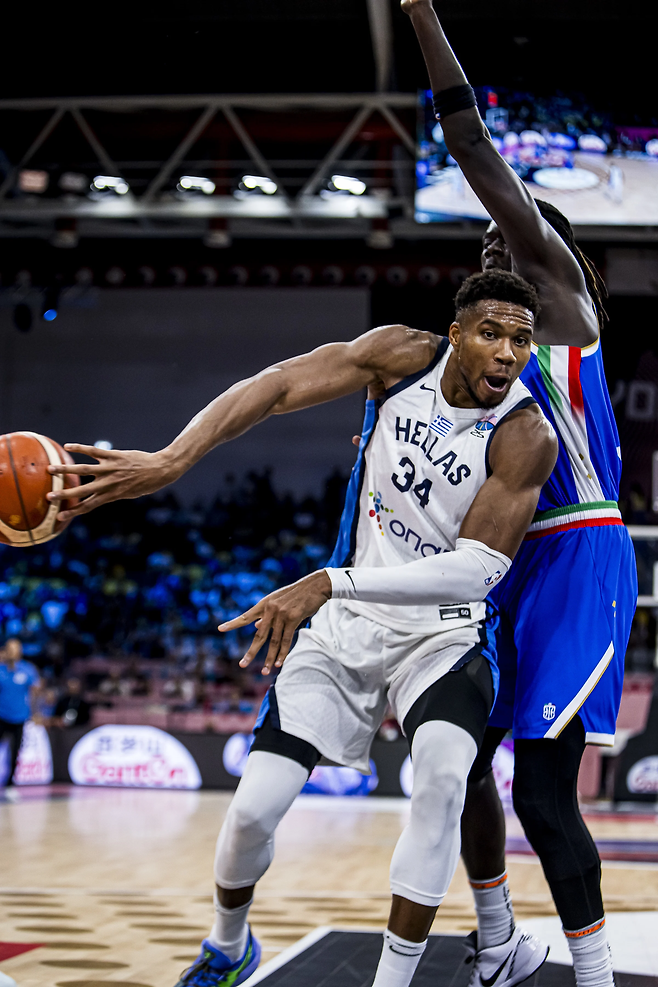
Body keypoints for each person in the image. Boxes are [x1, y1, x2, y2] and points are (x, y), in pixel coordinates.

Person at [48, 269, 557, 987]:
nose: (507, 353)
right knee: (252, 813)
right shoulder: (400, 357)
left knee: (444, 778)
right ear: (456, 336)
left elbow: (476, 570)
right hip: (347, 627)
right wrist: (171, 459)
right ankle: (228, 945)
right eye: (491, 334)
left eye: (521, 340)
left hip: (443, 635)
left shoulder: (526, 434)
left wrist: (328, 580)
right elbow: (279, 384)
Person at [401, 4, 637, 987]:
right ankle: (498, 941)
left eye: (509, 240)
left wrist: (421, 14)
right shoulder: (478, 366)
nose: (492, 251)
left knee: (543, 793)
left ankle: (593, 975)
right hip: (506, 564)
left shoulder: (565, 310)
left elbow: (468, 143)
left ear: (551, 255)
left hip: (580, 553)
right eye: (484, 251)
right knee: (451, 759)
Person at [0, 638, 40, 787]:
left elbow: (35, 692)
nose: (12, 652)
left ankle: (10, 783)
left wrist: (35, 712)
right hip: (1, 716)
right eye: (9, 649)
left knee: (15, 751)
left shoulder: (28, 669)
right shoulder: (1, 669)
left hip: (20, 717)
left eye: (15, 649)